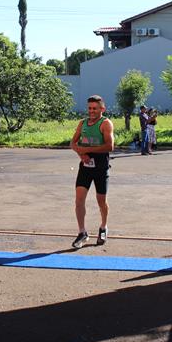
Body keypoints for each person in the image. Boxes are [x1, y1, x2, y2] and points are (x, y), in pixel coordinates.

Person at [70, 95, 115, 249]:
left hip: (101, 167)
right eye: (89, 108)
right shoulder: (82, 123)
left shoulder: (106, 124)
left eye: (95, 108)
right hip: (85, 167)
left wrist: (87, 149)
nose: (92, 111)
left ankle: (103, 227)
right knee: (79, 200)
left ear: (102, 108)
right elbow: (73, 143)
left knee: (101, 201)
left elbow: (110, 146)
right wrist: (81, 154)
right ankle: (82, 232)